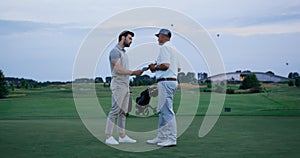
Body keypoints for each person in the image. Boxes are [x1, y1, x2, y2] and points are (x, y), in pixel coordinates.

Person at [105, 30, 144, 145]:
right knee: (115, 111)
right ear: (123, 37)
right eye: (130, 38)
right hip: (118, 85)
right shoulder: (115, 52)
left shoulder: (123, 53)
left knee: (123, 112)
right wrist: (133, 72)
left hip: (125, 85)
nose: (131, 41)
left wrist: (134, 73)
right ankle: (108, 137)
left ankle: (122, 136)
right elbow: (117, 69)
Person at [147, 29, 181, 147]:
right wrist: (156, 66)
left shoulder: (165, 47)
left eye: (159, 36)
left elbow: (166, 65)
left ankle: (172, 139)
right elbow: (178, 69)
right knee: (162, 111)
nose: (158, 39)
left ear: (164, 36)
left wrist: (154, 67)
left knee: (167, 111)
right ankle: (161, 136)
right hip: (170, 81)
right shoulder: (173, 49)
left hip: (166, 82)